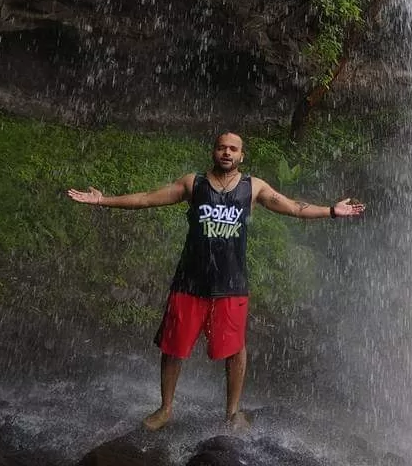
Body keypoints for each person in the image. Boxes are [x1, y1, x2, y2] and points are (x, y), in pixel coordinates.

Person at [66, 131, 365, 431]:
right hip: (190, 282)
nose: (227, 153)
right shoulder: (193, 183)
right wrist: (103, 199)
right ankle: (165, 408)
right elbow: (146, 199)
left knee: (235, 349)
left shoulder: (253, 187)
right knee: (173, 347)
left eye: (233, 149)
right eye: (222, 147)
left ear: (241, 156)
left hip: (231, 284)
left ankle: (232, 412)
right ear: (213, 151)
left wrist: (331, 211)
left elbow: (292, 207)